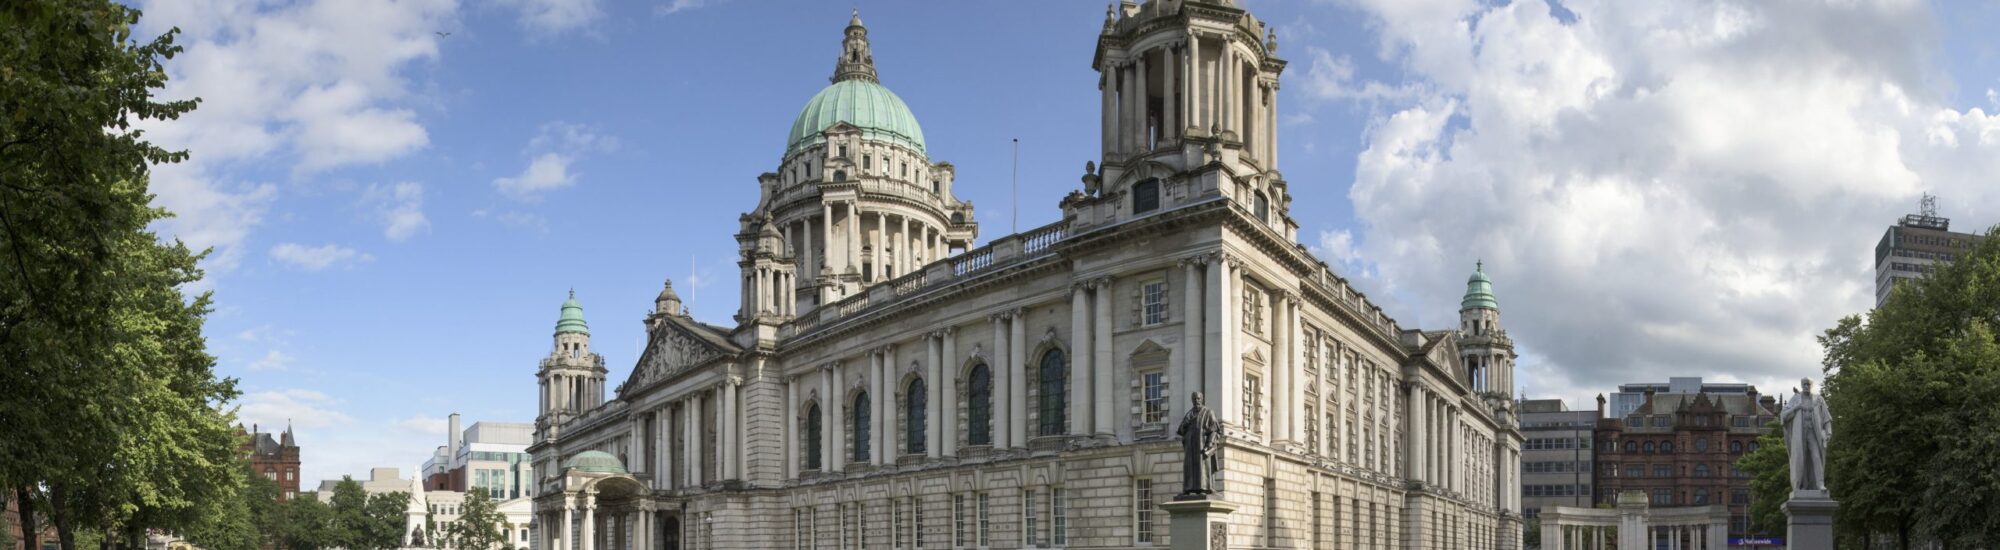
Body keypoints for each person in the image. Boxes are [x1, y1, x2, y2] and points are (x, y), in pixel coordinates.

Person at [1782, 377, 1832, 491]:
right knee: (1801, 458)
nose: (1806, 386)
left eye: (1808, 384)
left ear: (1811, 385)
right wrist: (1796, 407)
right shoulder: (1795, 399)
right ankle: (1801, 485)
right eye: (1804, 384)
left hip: (1813, 433)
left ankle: (1820, 484)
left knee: (1816, 457)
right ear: (1801, 385)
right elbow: (1784, 416)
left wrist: (1828, 432)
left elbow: (1826, 417)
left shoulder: (1818, 399)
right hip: (1800, 433)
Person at [1176, 391, 1222, 497]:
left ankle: (1204, 488)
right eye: (1194, 399)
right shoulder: (1189, 414)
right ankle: (1189, 488)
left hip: (1202, 445)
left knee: (1203, 467)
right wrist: (1186, 424)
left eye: (1198, 399)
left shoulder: (1208, 412)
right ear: (1192, 400)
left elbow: (1215, 430)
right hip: (1190, 445)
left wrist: (1209, 444)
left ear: (1202, 399)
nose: (1196, 401)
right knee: (1189, 467)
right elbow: (1181, 430)